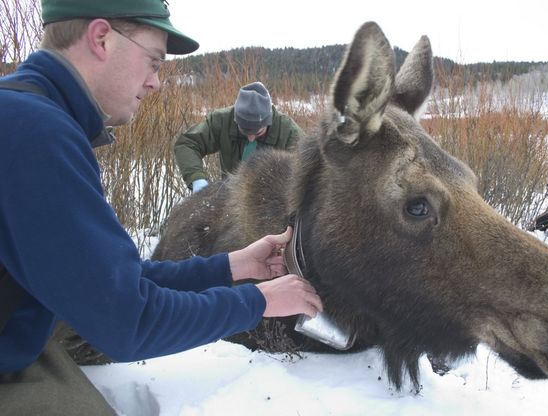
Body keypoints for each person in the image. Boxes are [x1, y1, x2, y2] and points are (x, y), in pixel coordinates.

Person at [0, 0, 322, 414]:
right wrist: (259, 302)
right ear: (101, 38)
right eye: (154, 61)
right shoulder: (38, 136)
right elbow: (128, 321)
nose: (156, 83)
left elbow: (109, 282)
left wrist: (232, 267)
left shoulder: (24, 113)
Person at [174, 81, 303, 192]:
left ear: (268, 122)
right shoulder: (223, 121)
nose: (251, 138)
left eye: (257, 133)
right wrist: (197, 179)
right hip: (229, 200)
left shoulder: (289, 133)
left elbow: (309, 173)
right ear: (236, 120)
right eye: (245, 132)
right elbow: (187, 144)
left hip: (271, 204)